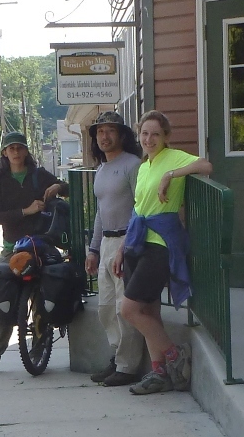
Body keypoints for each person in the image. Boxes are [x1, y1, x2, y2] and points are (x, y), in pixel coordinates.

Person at [114, 110, 212, 395]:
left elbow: (206, 166)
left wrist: (172, 174)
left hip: (161, 243)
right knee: (148, 309)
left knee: (129, 309)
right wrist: (122, 249)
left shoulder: (174, 157)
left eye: (155, 134)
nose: (149, 139)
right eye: (144, 133)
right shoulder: (143, 167)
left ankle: (174, 356)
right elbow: (138, 210)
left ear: (166, 136)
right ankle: (159, 374)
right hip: (137, 240)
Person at [0, 131, 69, 375]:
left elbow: (67, 188)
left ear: (26, 151)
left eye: (20, 147)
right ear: (4, 153)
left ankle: (38, 349)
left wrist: (58, 185)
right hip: (12, 249)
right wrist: (25, 211)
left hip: (42, 245)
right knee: (3, 300)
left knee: (43, 299)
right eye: (11, 148)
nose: (16, 152)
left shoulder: (38, 175)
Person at [85, 111, 144, 387]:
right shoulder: (102, 169)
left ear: (121, 135)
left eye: (110, 131)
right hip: (106, 242)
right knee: (106, 308)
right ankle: (117, 357)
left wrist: (127, 246)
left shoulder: (133, 165)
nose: (104, 136)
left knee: (123, 308)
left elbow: (140, 207)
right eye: (100, 132)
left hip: (126, 242)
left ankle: (128, 366)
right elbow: (100, 211)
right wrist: (93, 249)